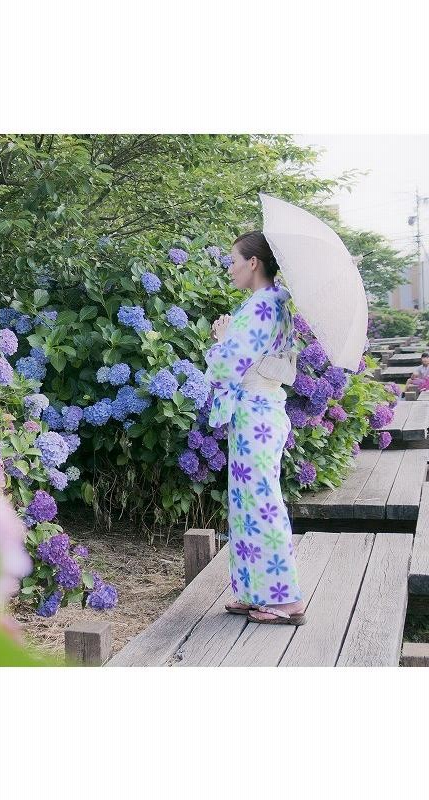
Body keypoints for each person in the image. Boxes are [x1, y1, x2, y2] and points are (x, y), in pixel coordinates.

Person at [203, 231, 306, 626]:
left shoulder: (263, 306)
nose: (229, 268)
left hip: (257, 413)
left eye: (233, 260)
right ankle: (254, 591)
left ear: (253, 263)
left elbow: (228, 364)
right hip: (261, 410)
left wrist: (222, 338)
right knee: (247, 502)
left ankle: (288, 600)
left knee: (261, 503)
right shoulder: (274, 303)